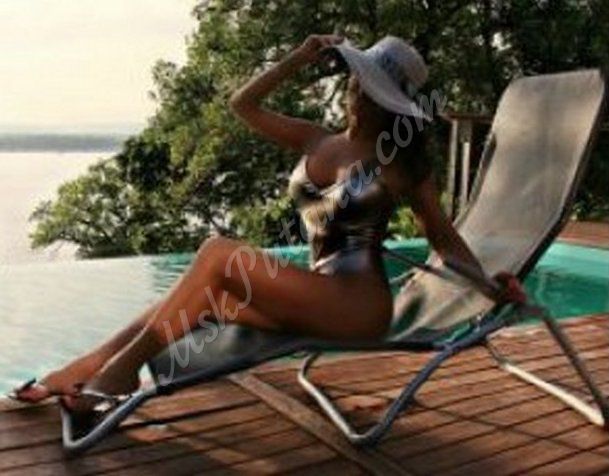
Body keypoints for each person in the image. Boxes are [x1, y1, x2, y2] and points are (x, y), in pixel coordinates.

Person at [11, 34, 525, 407]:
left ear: (387, 104)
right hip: (313, 293)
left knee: (218, 252)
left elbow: (443, 238)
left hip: (358, 307)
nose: (355, 91)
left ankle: (118, 374)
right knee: (194, 301)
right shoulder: (316, 138)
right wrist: (298, 57)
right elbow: (243, 105)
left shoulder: (403, 164)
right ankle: (84, 368)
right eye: (356, 80)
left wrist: (489, 286)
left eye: (367, 88)